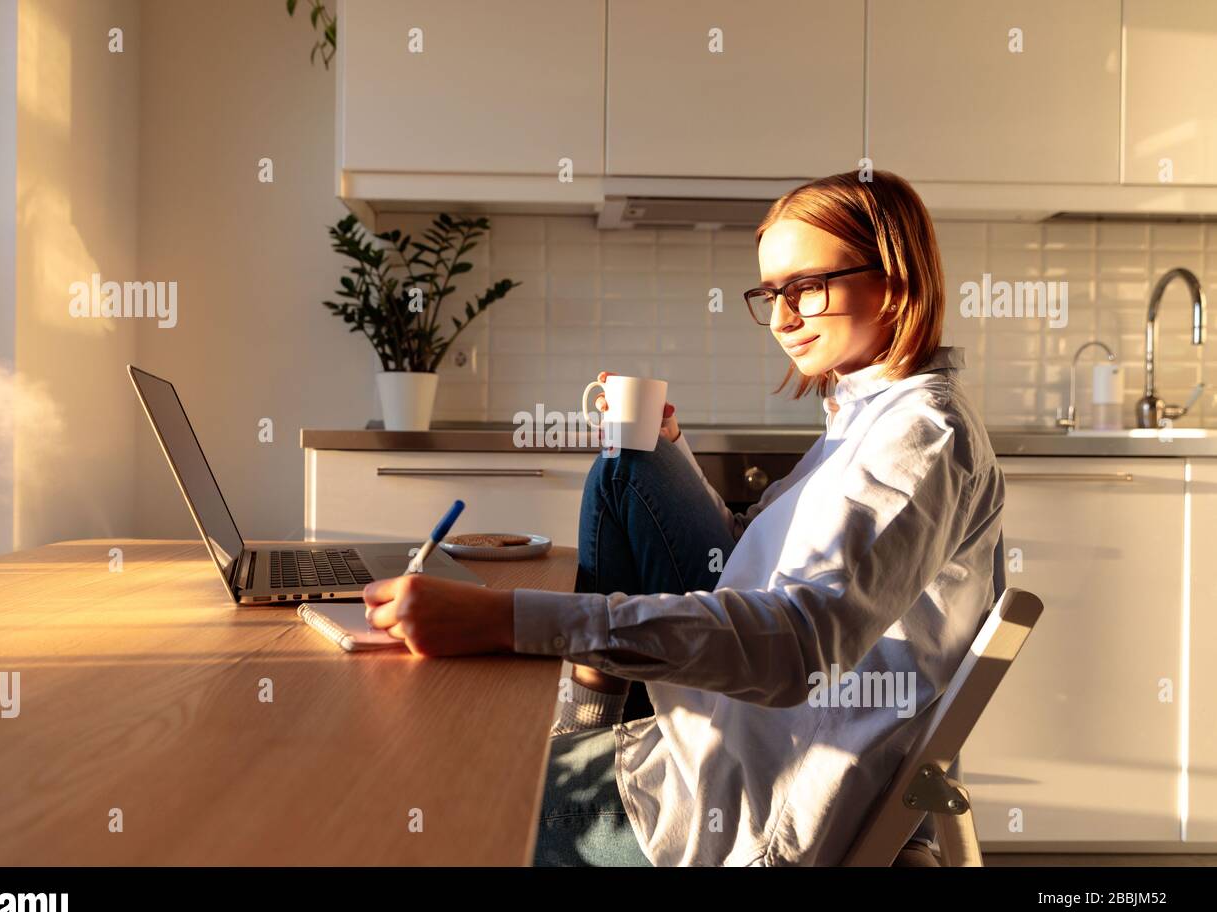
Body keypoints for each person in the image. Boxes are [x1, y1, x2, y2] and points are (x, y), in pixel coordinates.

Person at [362, 169, 1005, 866]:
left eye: (807, 287)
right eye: (771, 294)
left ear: (895, 276)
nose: (785, 318)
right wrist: (669, 455)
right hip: (746, 737)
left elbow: (795, 648)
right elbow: (752, 561)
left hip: (763, 807)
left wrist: (505, 620)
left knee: (446, 789)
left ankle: (583, 733)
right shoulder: (869, 412)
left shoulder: (921, 437)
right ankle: (586, 724)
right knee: (625, 464)